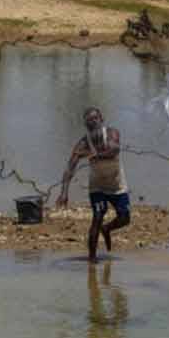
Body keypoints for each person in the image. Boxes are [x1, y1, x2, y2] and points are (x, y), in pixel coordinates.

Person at [56, 107, 131, 262]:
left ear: (101, 119)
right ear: (86, 125)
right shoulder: (83, 143)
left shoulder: (112, 133)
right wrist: (64, 192)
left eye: (95, 118)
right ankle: (92, 260)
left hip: (117, 183)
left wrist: (92, 154)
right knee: (97, 216)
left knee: (125, 218)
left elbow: (114, 150)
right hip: (97, 185)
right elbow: (70, 168)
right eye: (89, 120)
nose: (93, 122)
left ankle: (107, 228)